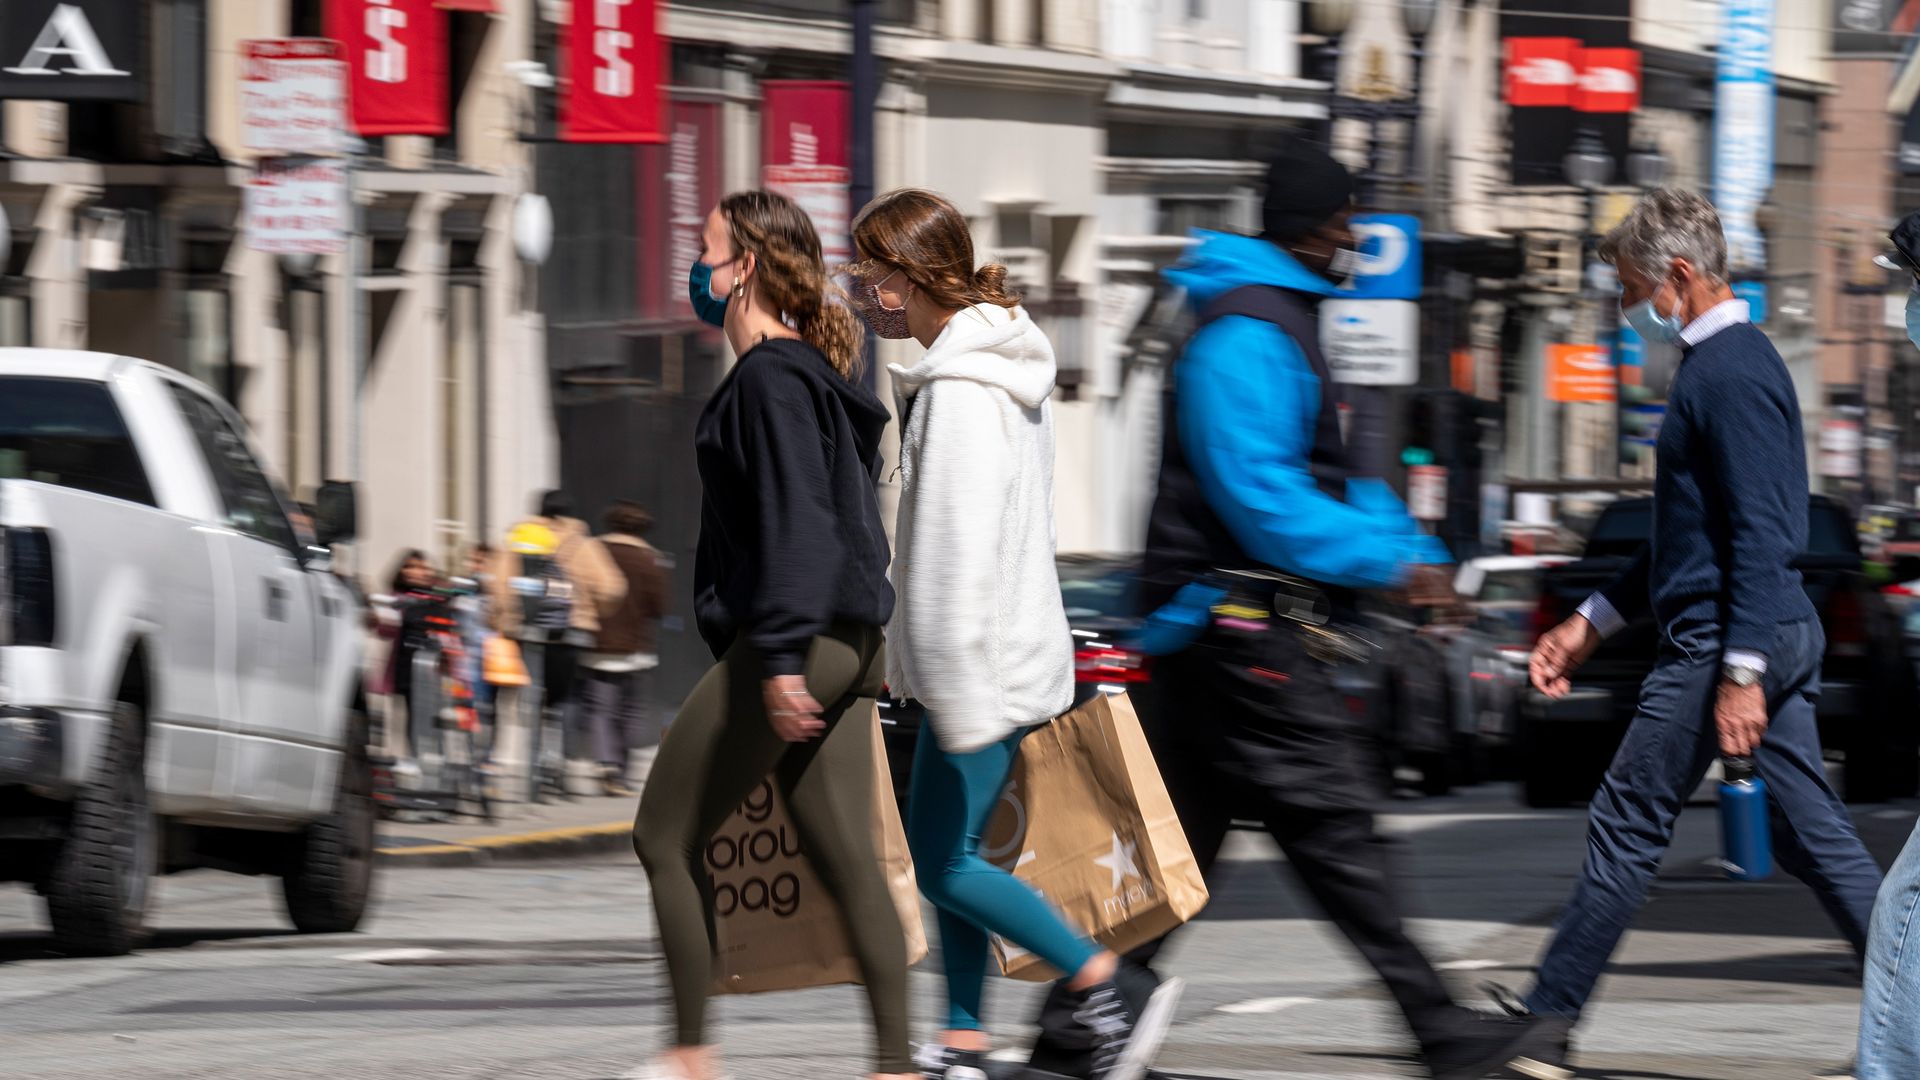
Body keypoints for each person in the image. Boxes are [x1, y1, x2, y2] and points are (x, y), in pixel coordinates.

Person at [1027, 139, 1557, 1080]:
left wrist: (1413, 555)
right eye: (1346, 220)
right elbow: (1262, 500)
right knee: (1337, 830)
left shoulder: (1278, 318)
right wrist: (1387, 567)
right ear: (1313, 227)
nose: (1355, 236)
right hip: (1234, 632)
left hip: (1219, 635)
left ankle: (1074, 1035)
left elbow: (1344, 483)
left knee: (1176, 855)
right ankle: (1439, 1030)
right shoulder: (1246, 335)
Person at [1499, 188, 1885, 1078]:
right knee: (1808, 834)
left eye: (1633, 290)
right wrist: (1588, 624)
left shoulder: (1732, 370)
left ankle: (1545, 1023)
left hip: (1724, 639)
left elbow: (1761, 532)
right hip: (1751, 628)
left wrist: (1740, 669)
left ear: (1679, 276)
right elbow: (1688, 538)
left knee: (1627, 821)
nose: (1628, 311)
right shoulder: (1723, 367)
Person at [847, 188, 1182, 1080]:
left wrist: (948, 685)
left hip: (976, 668)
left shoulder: (962, 390)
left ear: (909, 278)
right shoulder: (973, 372)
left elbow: (958, 553)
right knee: (942, 858)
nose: (858, 289)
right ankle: (962, 1037)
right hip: (967, 664)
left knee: (950, 867)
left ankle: (1107, 981)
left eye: (867, 272)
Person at [628, 190, 911, 1080]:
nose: (696, 268)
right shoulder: (811, 379)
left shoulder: (768, 380)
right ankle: (899, 1065)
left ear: (745, 265)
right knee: (844, 856)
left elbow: (804, 528)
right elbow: (844, 523)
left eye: (707, 250)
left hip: (800, 640)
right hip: (847, 641)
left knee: (664, 837)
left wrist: (780, 658)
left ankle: (687, 1056)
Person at [491, 490, 625, 801]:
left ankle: (531, 770)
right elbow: (612, 588)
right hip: (570, 631)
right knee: (564, 700)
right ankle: (557, 769)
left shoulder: (518, 538)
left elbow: (497, 582)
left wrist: (507, 616)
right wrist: (589, 612)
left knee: (531, 696)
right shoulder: (582, 543)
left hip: (526, 630)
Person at [583, 500, 668, 797]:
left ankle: (606, 763)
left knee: (601, 709)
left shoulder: (593, 551)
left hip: (598, 643)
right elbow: (659, 606)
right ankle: (622, 771)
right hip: (637, 647)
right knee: (631, 711)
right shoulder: (650, 559)